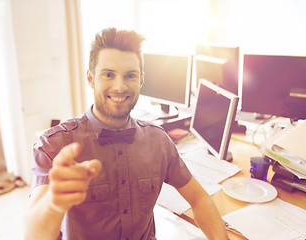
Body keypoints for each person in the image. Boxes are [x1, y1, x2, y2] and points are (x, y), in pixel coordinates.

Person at [24, 27, 228, 240]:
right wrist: (53, 203)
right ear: (91, 79)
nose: (119, 86)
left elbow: (200, 199)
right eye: (108, 74)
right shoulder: (54, 146)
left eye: (129, 75)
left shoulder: (158, 141)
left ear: (140, 80)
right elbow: (33, 234)